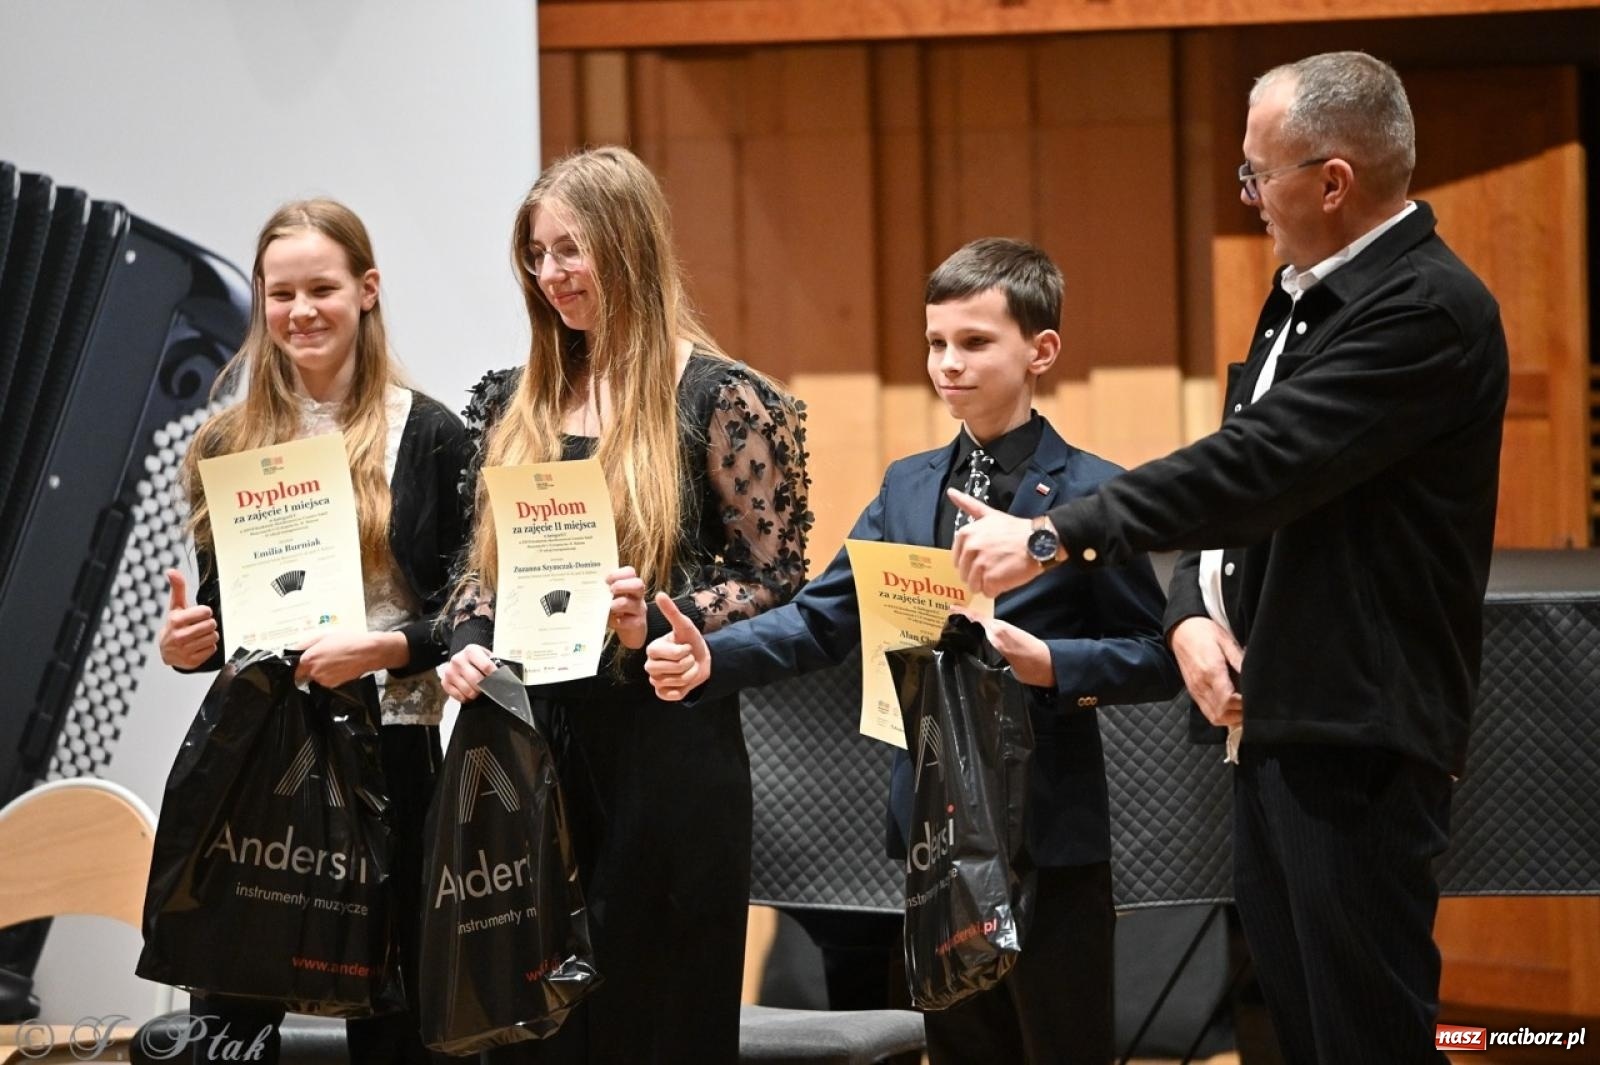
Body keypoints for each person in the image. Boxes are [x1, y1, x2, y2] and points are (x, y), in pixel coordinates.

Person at [947, 52, 1508, 1064]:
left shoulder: (1422, 309)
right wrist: (1188, 614)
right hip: (1273, 721)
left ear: (1330, 183)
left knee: (1360, 1035)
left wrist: (1053, 532)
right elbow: (1243, 508)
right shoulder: (1301, 295)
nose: (1244, 194)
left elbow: (1258, 464)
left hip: (1356, 735)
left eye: (1257, 173)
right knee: (1282, 1026)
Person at [646, 237, 1180, 1065]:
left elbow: (1156, 655)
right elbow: (823, 615)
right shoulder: (907, 486)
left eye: (973, 342)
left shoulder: (1090, 495)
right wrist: (718, 658)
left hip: (1049, 835)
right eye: (935, 343)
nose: (947, 363)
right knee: (963, 1049)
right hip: (934, 832)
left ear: (1041, 352)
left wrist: (1053, 664)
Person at [438, 145, 812, 1065]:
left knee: (657, 1023)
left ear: (631, 244)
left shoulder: (723, 399)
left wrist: (664, 614)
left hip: (666, 750)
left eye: (573, 249)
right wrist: (466, 642)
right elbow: (474, 576)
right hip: (532, 749)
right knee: (533, 1034)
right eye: (537, 253)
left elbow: (776, 577)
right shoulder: (510, 401)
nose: (552, 274)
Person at [156, 199, 471, 1063]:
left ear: (367, 291)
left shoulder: (433, 434)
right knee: (228, 1012)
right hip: (259, 749)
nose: (301, 310)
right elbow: (227, 616)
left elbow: (472, 610)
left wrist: (387, 648)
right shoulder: (226, 438)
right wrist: (193, 640)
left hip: (391, 749)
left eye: (322, 288)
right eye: (280, 291)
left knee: (395, 1019)